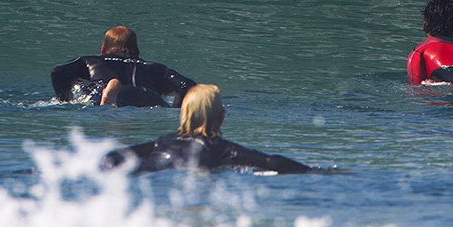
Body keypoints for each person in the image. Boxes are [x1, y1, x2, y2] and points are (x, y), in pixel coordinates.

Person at [101, 84, 313, 174]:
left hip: (149, 173)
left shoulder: (163, 142)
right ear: (219, 116)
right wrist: (313, 172)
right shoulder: (221, 148)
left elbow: (112, 157)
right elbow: (272, 162)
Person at [50, 24, 197, 106]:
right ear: (137, 51)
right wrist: (175, 110)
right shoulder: (156, 68)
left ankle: (110, 94)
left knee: (93, 90)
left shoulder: (89, 61)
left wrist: (66, 101)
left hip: (117, 95)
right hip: (148, 97)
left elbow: (58, 72)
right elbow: (187, 85)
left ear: (103, 50)